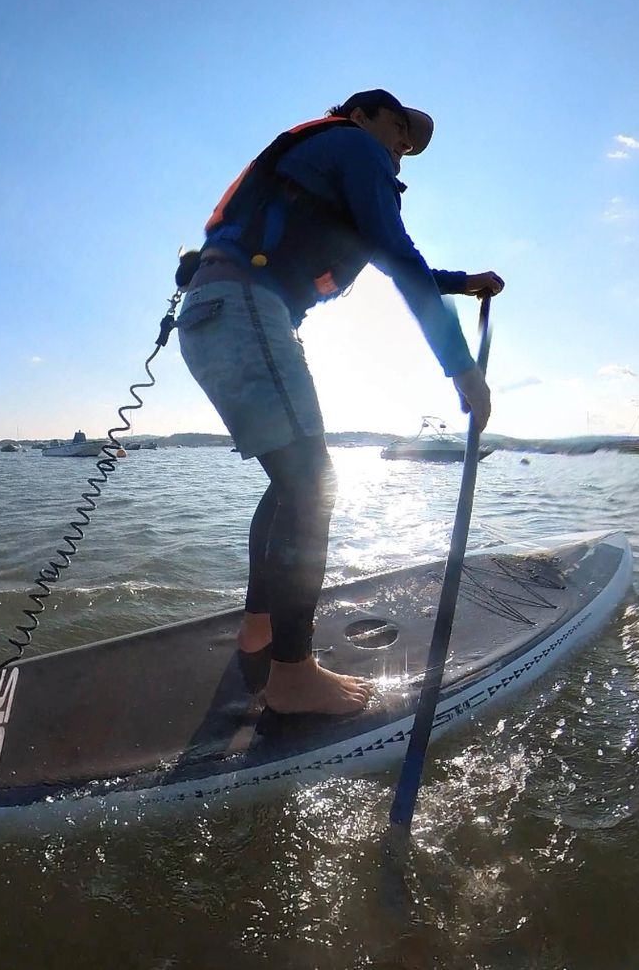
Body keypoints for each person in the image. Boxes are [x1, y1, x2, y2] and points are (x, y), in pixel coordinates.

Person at [174, 89, 504, 715]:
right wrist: (461, 368)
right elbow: (399, 253)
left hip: (217, 314)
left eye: (412, 144)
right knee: (313, 482)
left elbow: (389, 261)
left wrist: (462, 283)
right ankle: (292, 678)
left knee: (292, 481)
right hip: (246, 309)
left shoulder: (329, 159)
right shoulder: (354, 145)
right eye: (400, 128)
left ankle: (260, 629)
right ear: (361, 115)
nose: (404, 146)